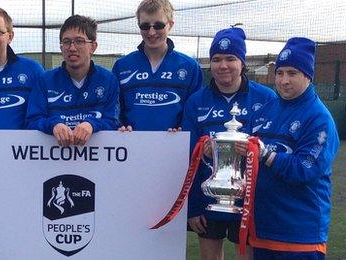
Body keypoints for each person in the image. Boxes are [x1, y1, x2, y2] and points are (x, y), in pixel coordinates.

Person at [182, 27, 276, 260]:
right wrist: (193, 207)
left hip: (250, 201)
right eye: (216, 59)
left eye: (230, 58)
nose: (223, 65)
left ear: (242, 62)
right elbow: (187, 158)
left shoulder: (266, 98)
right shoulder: (196, 101)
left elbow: (271, 150)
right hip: (209, 198)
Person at [246, 37, 339, 259]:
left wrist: (267, 155)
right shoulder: (265, 111)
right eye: (279, 73)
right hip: (263, 230)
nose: (284, 80)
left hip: (299, 235)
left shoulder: (319, 118)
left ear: (308, 76)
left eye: (292, 73)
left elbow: (304, 169)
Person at [26, 15, 119, 146]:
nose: (72, 48)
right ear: (61, 47)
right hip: (53, 162)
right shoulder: (45, 80)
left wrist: (91, 124)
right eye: (66, 41)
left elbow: (114, 121)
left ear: (93, 46)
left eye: (79, 41)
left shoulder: (108, 80)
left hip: (96, 163)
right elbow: (32, 121)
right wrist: (54, 125)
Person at [113, 0, 202, 131]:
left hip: (174, 146)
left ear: (170, 25)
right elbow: (114, 109)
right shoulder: (122, 66)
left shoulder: (190, 66)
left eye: (158, 25)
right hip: (131, 146)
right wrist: (120, 127)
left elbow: (195, 111)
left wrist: (182, 130)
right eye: (145, 26)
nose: (151, 32)